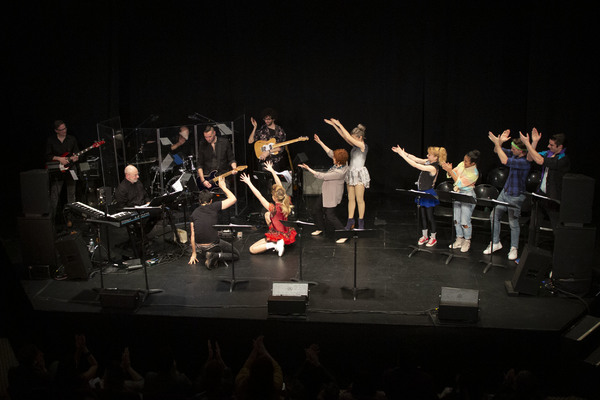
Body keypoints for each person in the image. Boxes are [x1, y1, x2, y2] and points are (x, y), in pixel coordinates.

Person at [485, 130, 531, 260]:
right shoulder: (515, 155)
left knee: (513, 222)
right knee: (494, 216)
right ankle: (495, 242)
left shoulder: (524, 162)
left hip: (516, 195)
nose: (511, 149)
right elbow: (496, 151)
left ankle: (514, 248)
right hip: (505, 192)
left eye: (513, 148)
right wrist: (498, 143)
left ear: (521, 151)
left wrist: (498, 144)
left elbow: (504, 161)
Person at [392, 145, 447, 247]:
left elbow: (415, 165)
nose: (427, 155)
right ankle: (424, 236)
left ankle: (433, 237)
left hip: (428, 194)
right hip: (421, 193)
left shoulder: (432, 167)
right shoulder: (428, 162)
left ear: (435, 157)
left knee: (429, 216)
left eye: (429, 155)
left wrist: (401, 155)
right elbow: (416, 159)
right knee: (422, 216)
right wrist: (403, 153)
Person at [240, 161, 296, 256]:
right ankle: (277, 243)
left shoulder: (273, 208)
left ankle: (275, 245)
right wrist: (272, 171)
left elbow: (259, 196)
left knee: (252, 249)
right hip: (285, 232)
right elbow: (279, 185)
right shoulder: (287, 200)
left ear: (274, 198)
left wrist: (249, 183)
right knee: (266, 214)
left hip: (277, 235)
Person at [298, 141, 349, 244]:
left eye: (335, 158)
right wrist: (320, 142)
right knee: (316, 209)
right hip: (326, 192)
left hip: (332, 195)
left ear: (339, 161)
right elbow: (330, 152)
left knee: (330, 215)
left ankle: (344, 234)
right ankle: (320, 228)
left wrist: (308, 169)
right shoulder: (342, 162)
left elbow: (323, 176)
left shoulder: (339, 172)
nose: (333, 158)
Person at [324, 118, 371, 230]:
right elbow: (345, 136)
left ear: (360, 138)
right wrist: (334, 126)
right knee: (351, 198)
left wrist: (339, 123)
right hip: (351, 173)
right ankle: (350, 221)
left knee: (359, 199)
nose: (352, 140)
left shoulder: (363, 146)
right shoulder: (355, 146)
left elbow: (348, 137)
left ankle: (361, 222)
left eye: (355, 138)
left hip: (359, 174)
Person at [519, 129, 570, 230]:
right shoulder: (548, 153)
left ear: (560, 146)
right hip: (541, 194)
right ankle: (532, 245)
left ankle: (559, 245)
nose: (548, 146)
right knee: (533, 225)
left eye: (551, 145)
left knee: (556, 227)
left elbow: (540, 160)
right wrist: (534, 142)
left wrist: (527, 144)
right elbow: (530, 157)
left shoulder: (563, 159)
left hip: (553, 198)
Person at [189, 176, 240, 270]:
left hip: (199, 247)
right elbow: (233, 199)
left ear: (199, 201)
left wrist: (193, 253)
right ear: (211, 201)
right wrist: (223, 187)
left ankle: (209, 255)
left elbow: (192, 235)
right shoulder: (214, 206)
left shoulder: (194, 213)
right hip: (212, 244)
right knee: (236, 254)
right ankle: (216, 256)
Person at [441, 150, 480, 252]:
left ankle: (467, 240)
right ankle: (459, 238)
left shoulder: (474, 173)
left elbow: (459, 183)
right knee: (456, 219)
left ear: (473, 163)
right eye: (464, 160)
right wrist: (448, 169)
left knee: (464, 221)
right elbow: (453, 173)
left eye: (467, 161)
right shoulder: (462, 164)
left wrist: (450, 171)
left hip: (467, 195)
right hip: (458, 193)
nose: (464, 162)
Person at [46, 120, 79, 220]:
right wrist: (59, 158)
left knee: (71, 194)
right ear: (56, 131)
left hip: (71, 168)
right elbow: (47, 156)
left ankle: (70, 218)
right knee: (55, 194)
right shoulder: (51, 140)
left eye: (65, 128)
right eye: (61, 129)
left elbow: (76, 153)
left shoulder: (72, 139)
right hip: (57, 170)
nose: (64, 131)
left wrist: (76, 157)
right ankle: (51, 220)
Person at [234, 336, 283, 400]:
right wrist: (264, 351)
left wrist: (255, 350)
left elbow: (246, 367)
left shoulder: (241, 386)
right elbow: (277, 368)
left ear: (252, 371)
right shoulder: (276, 386)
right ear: (271, 372)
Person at [197, 125, 238, 190]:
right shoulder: (203, 145)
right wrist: (203, 180)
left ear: (214, 133)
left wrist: (234, 168)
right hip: (208, 178)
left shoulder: (224, 142)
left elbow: (231, 159)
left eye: (209, 136)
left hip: (223, 176)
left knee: (226, 196)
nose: (208, 139)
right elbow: (199, 165)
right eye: (206, 137)